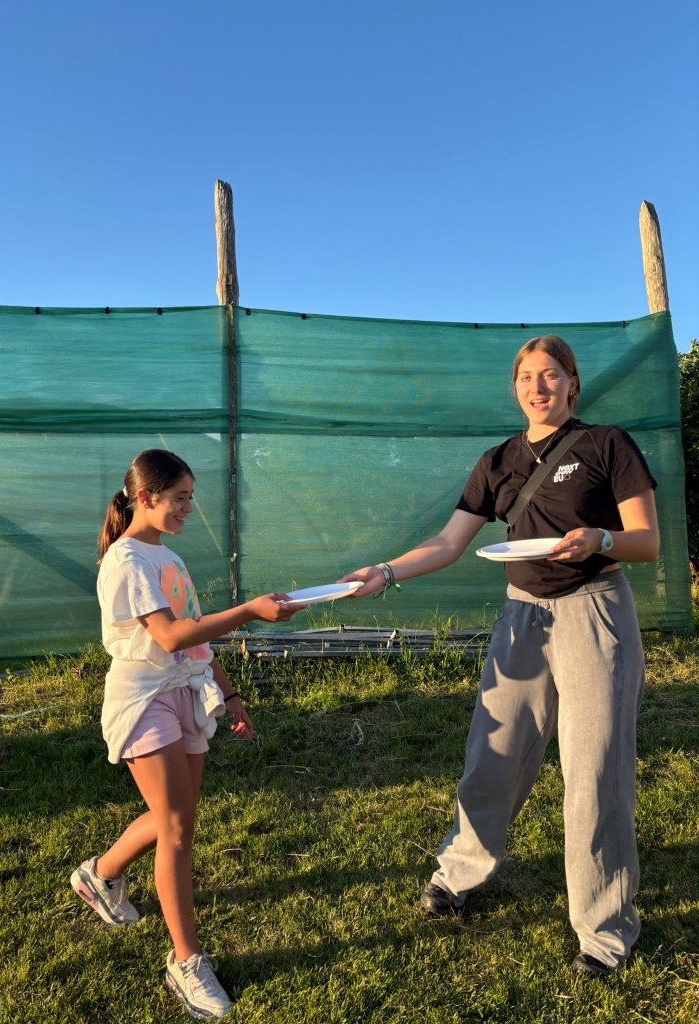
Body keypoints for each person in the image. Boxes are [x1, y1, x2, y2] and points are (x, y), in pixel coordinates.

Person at [340, 335, 659, 978]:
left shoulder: (607, 445)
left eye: (551, 375)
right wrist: (386, 571)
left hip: (595, 611)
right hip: (521, 616)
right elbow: (449, 542)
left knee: (595, 771)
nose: (538, 387)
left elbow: (646, 542)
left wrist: (600, 539)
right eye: (526, 377)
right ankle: (459, 873)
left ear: (573, 383)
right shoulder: (498, 461)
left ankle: (604, 930)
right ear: (515, 388)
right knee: (494, 755)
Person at [71, 448, 303, 1019]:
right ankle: (186, 962)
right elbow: (171, 637)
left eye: (190, 498)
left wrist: (230, 692)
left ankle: (100, 874)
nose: (187, 509)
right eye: (179, 498)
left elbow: (195, 638)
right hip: (143, 699)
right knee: (176, 827)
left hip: (183, 691)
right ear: (144, 497)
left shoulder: (167, 558)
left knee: (177, 815)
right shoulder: (126, 561)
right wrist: (249, 611)